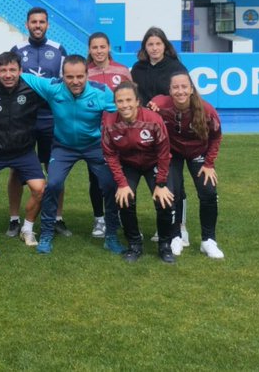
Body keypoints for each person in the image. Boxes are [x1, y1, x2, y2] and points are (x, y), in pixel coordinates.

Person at [18, 55, 117, 255]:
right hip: (64, 147)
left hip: (94, 146)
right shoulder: (53, 87)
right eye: (70, 77)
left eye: (80, 76)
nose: (75, 81)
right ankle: (46, 233)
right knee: (53, 184)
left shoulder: (102, 92)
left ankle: (112, 236)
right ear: (62, 76)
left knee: (109, 185)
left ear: (87, 75)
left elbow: (124, 110)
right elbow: (22, 76)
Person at [149, 72, 225, 259]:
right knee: (171, 192)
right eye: (175, 87)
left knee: (208, 191)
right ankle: (176, 236)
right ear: (170, 90)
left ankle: (208, 241)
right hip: (172, 153)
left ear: (191, 89)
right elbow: (148, 114)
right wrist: (152, 108)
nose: (180, 91)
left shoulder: (206, 110)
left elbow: (216, 137)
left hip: (198, 152)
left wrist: (209, 163)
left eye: (184, 87)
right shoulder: (160, 103)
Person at [9, 7, 68, 238]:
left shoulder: (58, 49)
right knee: (17, 169)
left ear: (47, 24)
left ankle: (57, 218)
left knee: (54, 171)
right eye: (33, 22)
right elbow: (9, 79)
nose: (37, 25)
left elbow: (65, 83)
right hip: (24, 119)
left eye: (41, 22)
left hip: (50, 119)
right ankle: (14, 219)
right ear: (27, 24)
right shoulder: (17, 50)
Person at [0, 51, 47, 247]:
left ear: (20, 71)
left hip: (24, 152)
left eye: (12, 70)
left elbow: (58, 96)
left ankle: (27, 229)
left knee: (40, 189)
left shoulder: (32, 90)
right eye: (3, 70)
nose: (8, 75)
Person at [102, 81, 176, 264]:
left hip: (153, 163)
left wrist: (161, 183)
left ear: (137, 102)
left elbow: (164, 153)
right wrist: (122, 183)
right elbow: (110, 155)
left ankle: (165, 245)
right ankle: (135, 244)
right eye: (120, 101)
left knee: (165, 201)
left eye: (129, 100)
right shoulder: (109, 122)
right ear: (115, 103)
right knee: (124, 199)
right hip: (129, 165)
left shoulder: (153, 120)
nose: (124, 105)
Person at [86, 31, 132, 246]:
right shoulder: (85, 72)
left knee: (120, 176)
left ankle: (119, 214)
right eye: (94, 47)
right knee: (96, 179)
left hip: (122, 133)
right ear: (89, 50)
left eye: (102, 47)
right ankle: (99, 218)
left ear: (109, 47)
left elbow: (132, 99)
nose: (99, 51)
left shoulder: (122, 71)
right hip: (95, 134)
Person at [130, 26, 188, 105]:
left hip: (168, 111)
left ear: (164, 45)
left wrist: (161, 103)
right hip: (142, 111)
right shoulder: (137, 68)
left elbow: (185, 95)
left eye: (158, 44)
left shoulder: (176, 68)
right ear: (145, 47)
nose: (154, 48)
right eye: (150, 44)